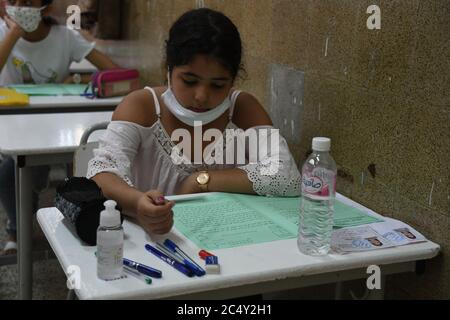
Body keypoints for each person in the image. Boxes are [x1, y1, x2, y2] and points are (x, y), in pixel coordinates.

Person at [88, 8, 301, 237]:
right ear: (168, 70)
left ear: (233, 81)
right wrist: (139, 204)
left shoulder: (242, 110)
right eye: (189, 81)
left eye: (218, 85)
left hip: (226, 236)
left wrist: (201, 181)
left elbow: (286, 174)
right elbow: (103, 172)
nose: (201, 96)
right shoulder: (142, 107)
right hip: (158, 241)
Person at [0, 0, 120, 255]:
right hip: (14, 124)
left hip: (55, 124)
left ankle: (76, 216)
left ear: (44, 6)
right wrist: (13, 34)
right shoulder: (2, 33)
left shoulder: (65, 36)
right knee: (9, 171)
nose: (20, 7)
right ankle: (16, 228)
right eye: (14, 1)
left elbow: (115, 73)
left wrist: (78, 77)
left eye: (28, 2)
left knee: (78, 162)